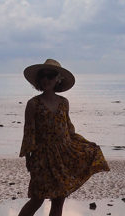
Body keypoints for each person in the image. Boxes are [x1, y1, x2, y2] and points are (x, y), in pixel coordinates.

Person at [18, 59, 110, 216]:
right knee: (37, 199)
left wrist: (87, 145)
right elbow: (29, 134)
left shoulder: (64, 102)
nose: (46, 79)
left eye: (51, 76)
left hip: (63, 155)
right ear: (39, 79)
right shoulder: (33, 104)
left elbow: (69, 131)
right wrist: (28, 159)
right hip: (42, 157)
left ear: (57, 79)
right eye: (43, 76)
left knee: (59, 200)